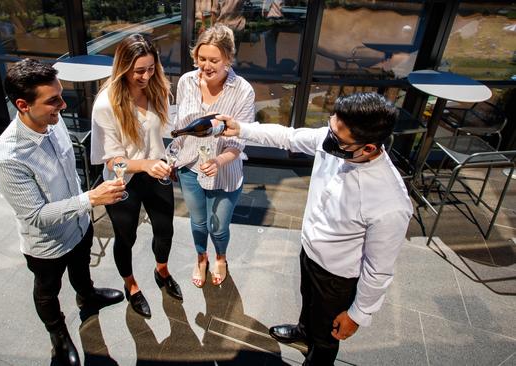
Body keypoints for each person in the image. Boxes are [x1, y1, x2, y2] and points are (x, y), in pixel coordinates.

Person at [217, 92, 413, 366]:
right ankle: (303, 332)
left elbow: (378, 269)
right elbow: (289, 136)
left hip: (336, 277)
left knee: (326, 336)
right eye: (331, 127)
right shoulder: (336, 139)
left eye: (338, 138)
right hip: (309, 250)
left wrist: (357, 315)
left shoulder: (389, 202)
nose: (328, 139)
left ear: (368, 148)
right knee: (307, 301)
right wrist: (243, 129)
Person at [0, 59, 125, 366]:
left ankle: (87, 296)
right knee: (47, 291)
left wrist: (84, 204)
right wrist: (90, 198)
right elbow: (35, 215)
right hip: (47, 245)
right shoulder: (7, 159)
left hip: (79, 224)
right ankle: (59, 338)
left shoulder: (53, 119)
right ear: (23, 105)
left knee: (81, 268)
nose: (62, 105)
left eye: (61, 95)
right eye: (53, 100)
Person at [91, 34, 182, 319]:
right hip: (123, 179)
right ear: (123, 68)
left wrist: (172, 157)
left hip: (155, 170)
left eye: (151, 68)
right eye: (138, 70)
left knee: (165, 229)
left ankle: (162, 270)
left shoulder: (157, 89)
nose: (145, 76)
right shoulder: (106, 104)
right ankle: (131, 285)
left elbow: (164, 134)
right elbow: (113, 161)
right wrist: (144, 165)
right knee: (125, 236)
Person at [174, 24, 255, 288]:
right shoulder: (186, 81)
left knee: (218, 227)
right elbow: (180, 127)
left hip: (226, 170)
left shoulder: (243, 91)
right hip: (190, 168)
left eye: (213, 60)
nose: (205, 66)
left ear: (229, 59)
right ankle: (201, 257)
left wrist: (218, 161)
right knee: (198, 222)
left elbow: (240, 140)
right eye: (201, 58)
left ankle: (220, 257)